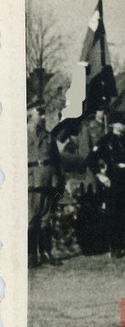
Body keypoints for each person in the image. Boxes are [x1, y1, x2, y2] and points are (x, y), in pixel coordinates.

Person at [90, 112, 125, 258]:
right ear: (112, 124)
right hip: (113, 179)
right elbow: (91, 159)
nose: (122, 125)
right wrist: (100, 176)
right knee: (113, 213)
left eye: (123, 122)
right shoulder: (106, 140)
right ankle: (116, 247)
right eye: (119, 122)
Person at [27, 101, 65, 267]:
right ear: (29, 115)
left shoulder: (48, 136)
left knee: (46, 218)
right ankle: (31, 255)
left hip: (47, 180)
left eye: (43, 113)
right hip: (30, 180)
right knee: (31, 219)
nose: (43, 117)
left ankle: (46, 252)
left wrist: (58, 179)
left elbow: (56, 161)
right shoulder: (18, 134)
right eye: (39, 113)